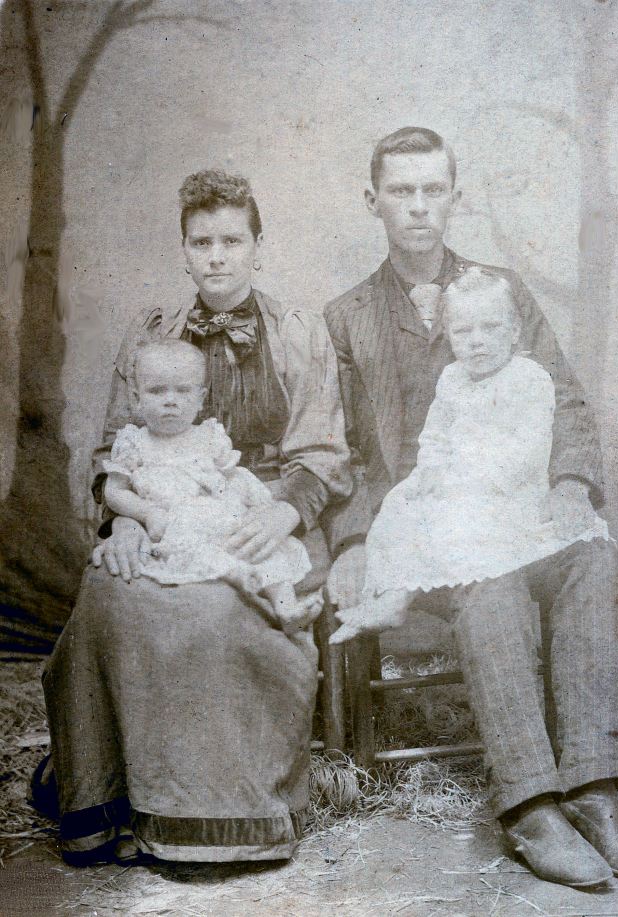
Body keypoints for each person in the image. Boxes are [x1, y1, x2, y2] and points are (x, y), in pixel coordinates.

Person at [322, 127, 618, 886]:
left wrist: (570, 485)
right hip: (425, 531)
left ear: (454, 197)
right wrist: (352, 541)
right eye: (400, 192)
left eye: (432, 190)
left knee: (593, 557)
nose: (418, 208)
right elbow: (340, 447)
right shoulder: (346, 318)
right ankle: (533, 804)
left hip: (520, 507)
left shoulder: (501, 290)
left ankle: (596, 790)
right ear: (373, 202)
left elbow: (563, 395)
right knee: (493, 589)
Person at [40, 169, 351, 865]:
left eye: (231, 240)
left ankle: (222, 816)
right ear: (183, 250)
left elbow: (325, 452)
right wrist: (126, 522)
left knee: (217, 610)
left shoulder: (298, 333)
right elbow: (112, 448)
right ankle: (104, 797)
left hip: (261, 508)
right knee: (106, 594)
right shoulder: (152, 335)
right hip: (157, 514)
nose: (216, 256)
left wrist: (282, 512)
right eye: (201, 241)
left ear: (258, 247)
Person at [330, 267, 609, 641]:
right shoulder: (453, 380)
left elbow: (527, 448)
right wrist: (429, 471)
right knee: (404, 510)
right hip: (458, 485)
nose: (477, 342)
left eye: (490, 328)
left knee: (451, 523)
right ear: (449, 336)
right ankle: (394, 596)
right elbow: (436, 434)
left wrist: (472, 478)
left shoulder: (528, 379)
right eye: (463, 332)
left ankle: (401, 596)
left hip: (508, 492)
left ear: (514, 333)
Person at [104, 339, 318, 632]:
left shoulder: (208, 437)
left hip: (218, 517)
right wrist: (146, 513)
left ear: (201, 398)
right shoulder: (134, 443)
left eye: (183, 391)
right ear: (136, 397)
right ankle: (242, 579)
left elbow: (234, 478)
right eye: (157, 390)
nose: (170, 400)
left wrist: (253, 503)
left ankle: (287, 608)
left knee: (263, 550)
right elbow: (114, 491)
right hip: (174, 524)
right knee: (198, 552)